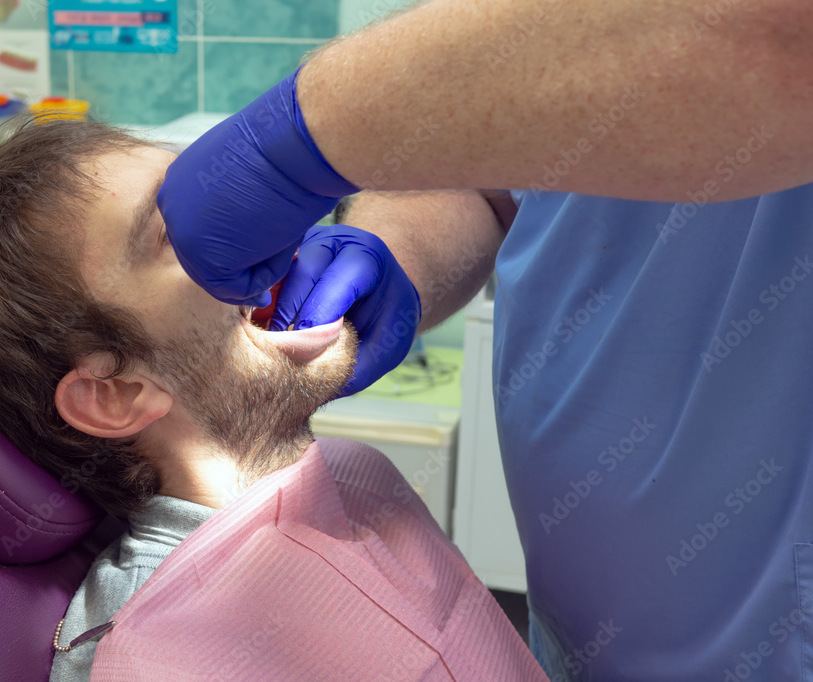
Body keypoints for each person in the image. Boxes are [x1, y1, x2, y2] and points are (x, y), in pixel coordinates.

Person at [152, 0, 813, 680]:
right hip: (584, 630)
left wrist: (302, 132)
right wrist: (390, 248)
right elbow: (494, 166)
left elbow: (774, 39)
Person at [0, 119, 547, 681]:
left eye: (212, 205)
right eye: (171, 235)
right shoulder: (157, 655)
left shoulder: (356, 478)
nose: (257, 241)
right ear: (116, 395)